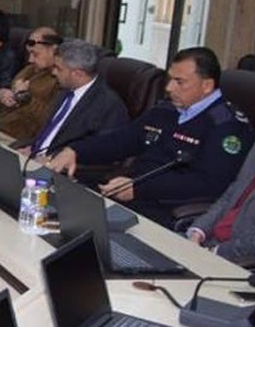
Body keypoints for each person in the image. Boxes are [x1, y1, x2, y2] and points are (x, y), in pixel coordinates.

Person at [50, 47, 254, 229]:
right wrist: (76, 150)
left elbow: (210, 184)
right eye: (170, 79)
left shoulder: (227, 126)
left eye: (179, 82)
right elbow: (122, 140)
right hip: (132, 198)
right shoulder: (167, 110)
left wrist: (140, 188)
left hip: (169, 212)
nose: (169, 88)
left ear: (207, 86)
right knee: (58, 211)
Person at [23, 39, 128, 155]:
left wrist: (51, 160)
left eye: (58, 68)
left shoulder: (109, 106)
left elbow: (104, 153)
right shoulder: (64, 91)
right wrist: (32, 148)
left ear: (78, 74)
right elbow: (49, 133)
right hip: (34, 156)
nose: (53, 72)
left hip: (60, 164)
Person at [185, 146, 255, 265]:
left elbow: (250, 244)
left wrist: (215, 252)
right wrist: (197, 232)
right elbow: (231, 194)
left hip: (237, 259)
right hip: (208, 241)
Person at [0, 27, 62, 141]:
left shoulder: (61, 79)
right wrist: (1, 95)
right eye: (29, 54)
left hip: (22, 142)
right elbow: (3, 105)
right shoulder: (29, 69)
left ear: (53, 50)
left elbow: (51, 120)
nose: (30, 60)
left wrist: (24, 97)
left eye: (35, 54)